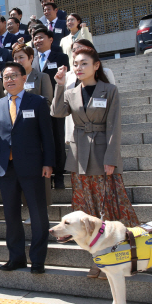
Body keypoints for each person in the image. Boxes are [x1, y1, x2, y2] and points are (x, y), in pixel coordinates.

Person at [51, 45, 139, 279]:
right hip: (79, 155)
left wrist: (111, 158)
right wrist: (59, 85)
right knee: (88, 213)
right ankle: (99, 260)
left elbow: (114, 126)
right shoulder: (71, 91)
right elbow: (57, 112)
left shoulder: (109, 90)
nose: (78, 68)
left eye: (84, 64)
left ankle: (127, 254)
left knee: (110, 207)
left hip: (103, 154)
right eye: (75, 64)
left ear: (96, 66)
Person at [0, 62, 55, 274]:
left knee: (38, 215)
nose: (9, 80)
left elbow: (47, 136)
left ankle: (38, 260)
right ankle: (16, 258)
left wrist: (48, 162)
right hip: (6, 168)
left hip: (33, 166)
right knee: (11, 216)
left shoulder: (38, 102)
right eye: (5, 77)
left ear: (23, 78)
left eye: (14, 76)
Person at [34, 27, 70, 189]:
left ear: (51, 40)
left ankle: (59, 175)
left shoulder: (61, 57)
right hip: (36, 108)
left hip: (56, 104)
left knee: (57, 139)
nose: (38, 41)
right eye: (35, 39)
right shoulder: (32, 60)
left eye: (41, 37)